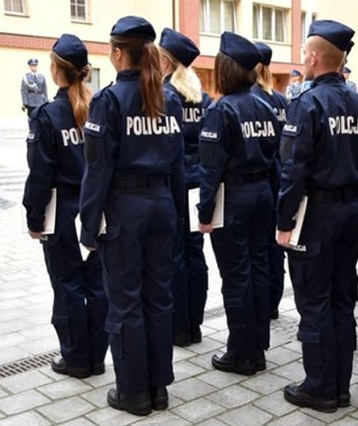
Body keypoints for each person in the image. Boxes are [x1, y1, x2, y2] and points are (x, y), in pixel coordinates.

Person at [79, 16, 185, 416]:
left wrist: (89, 226)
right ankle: (158, 388)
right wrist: (178, 215)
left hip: (124, 209)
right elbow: (178, 165)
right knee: (159, 297)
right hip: (161, 205)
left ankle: (133, 393)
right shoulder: (168, 98)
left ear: (118, 53)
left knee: (125, 302)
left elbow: (97, 170)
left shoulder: (108, 100)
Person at [276, 20, 358, 413]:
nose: (303, 59)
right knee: (341, 298)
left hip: (315, 215)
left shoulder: (308, 103)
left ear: (315, 57)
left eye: (305, 52)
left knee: (314, 300)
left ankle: (319, 388)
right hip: (349, 213)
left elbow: (293, 169)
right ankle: (341, 386)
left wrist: (285, 222)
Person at [22, 33, 108, 380]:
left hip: (61, 211)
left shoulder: (46, 115)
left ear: (56, 71)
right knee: (98, 284)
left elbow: (40, 173)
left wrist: (34, 217)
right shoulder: (99, 107)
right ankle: (97, 356)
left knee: (67, 284)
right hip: (97, 210)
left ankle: (75, 358)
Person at [197, 32, 279, 376]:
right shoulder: (265, 106)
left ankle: (241, 353)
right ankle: (257, 347)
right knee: (259, 268)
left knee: (236, 276)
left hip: (233, 198)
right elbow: (276, 159)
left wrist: (204, 212)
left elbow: (210, 168)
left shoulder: (222, 110)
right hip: (262, 194)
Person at [158, 27, 212, 348]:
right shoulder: (202, 98)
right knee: (195, 253)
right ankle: (195, 324)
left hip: (174, 185)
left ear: (166, 63)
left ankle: (179, 328)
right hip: (199, 184)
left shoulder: (165, 96)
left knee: (175, 255)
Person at [253, 41, 289, 320]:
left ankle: (263, 302)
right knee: (276, 248)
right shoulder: (281, 100)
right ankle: (274, 301)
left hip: (261, 181)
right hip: (281, 179)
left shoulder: (253, 99)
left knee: (260, 248)